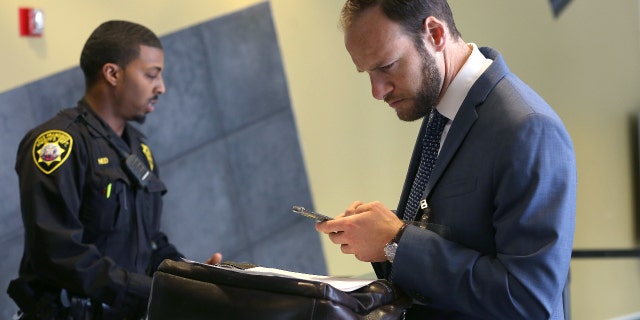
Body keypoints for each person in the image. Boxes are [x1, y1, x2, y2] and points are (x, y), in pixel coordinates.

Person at [316, 1, 576, 319]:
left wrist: (396, 240)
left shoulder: (530, 129)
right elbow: (461, 234)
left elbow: (527, 300)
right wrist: (378, 232)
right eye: (367, 72)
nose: (377, 90)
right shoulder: (441, 110)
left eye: (386, 66)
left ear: (435, 34)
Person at [7, 20, 222, 319]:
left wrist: (188, 279)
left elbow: (148, 241)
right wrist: (151, 292)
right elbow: (59, 255)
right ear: (112, 74)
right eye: (151, 75)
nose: (161, 86)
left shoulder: (137, 148)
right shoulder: (59, 144)